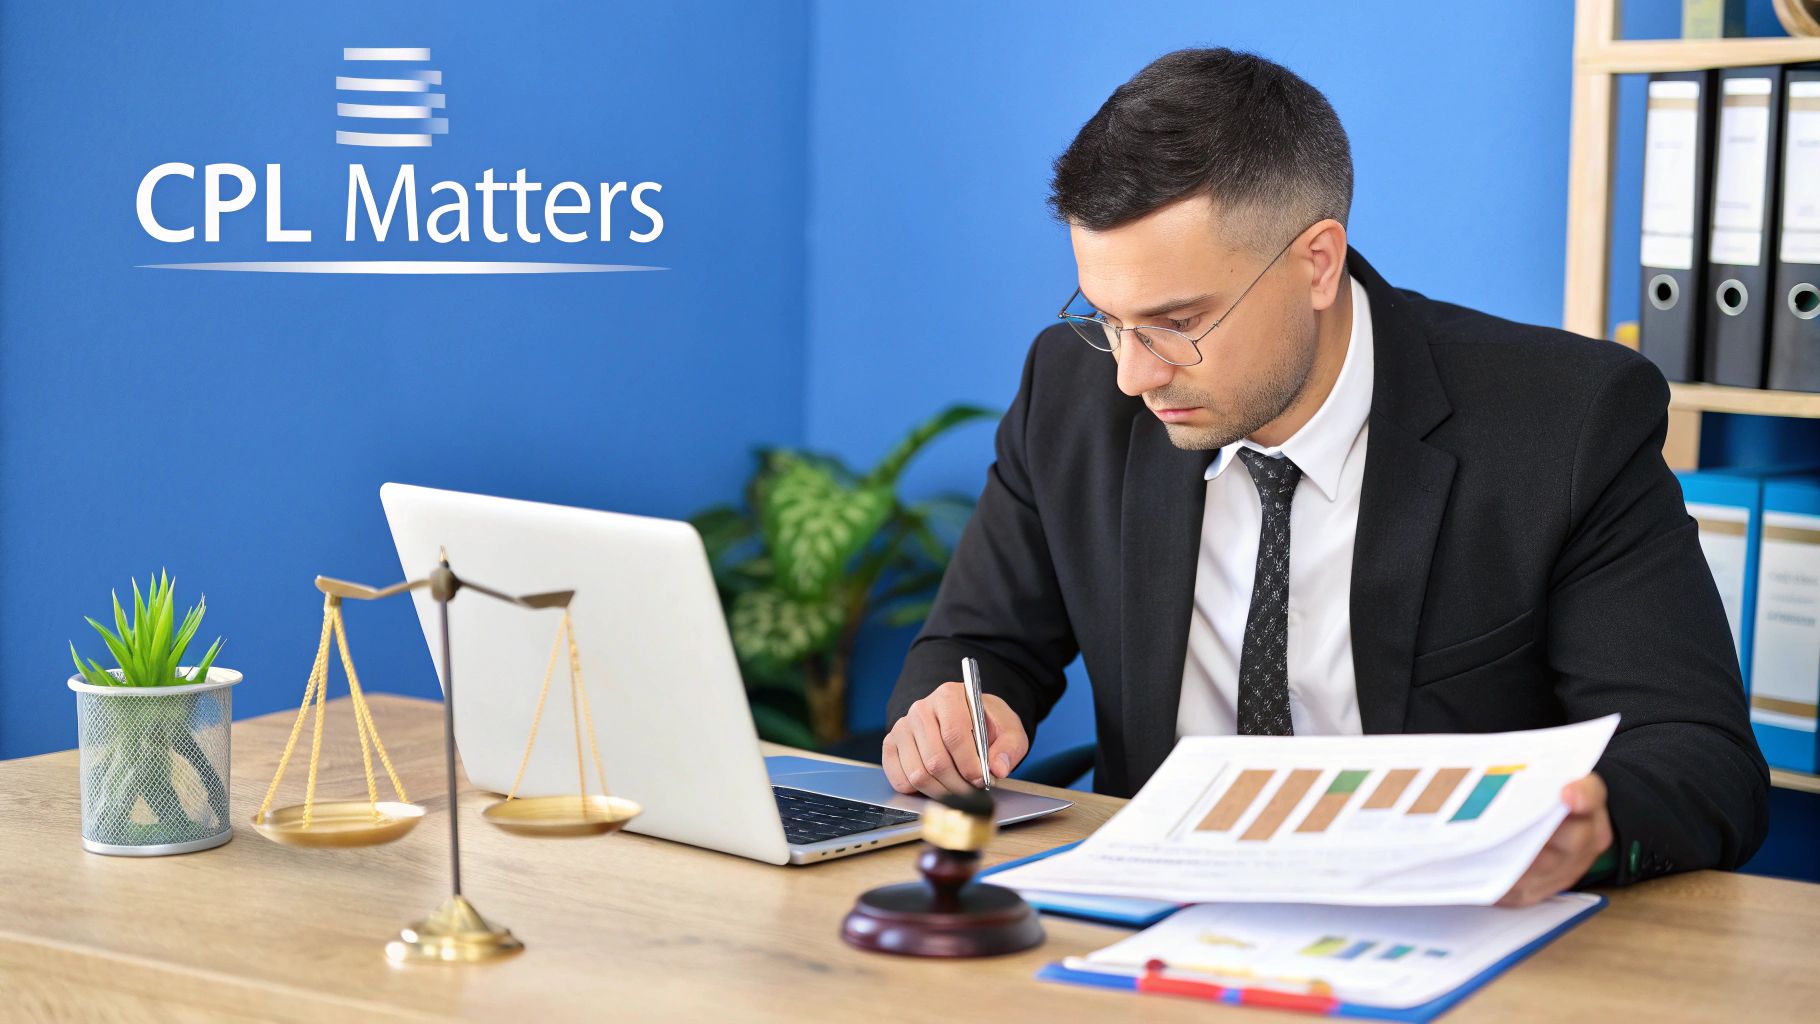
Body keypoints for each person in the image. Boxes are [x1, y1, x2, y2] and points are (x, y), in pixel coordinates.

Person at [881, 48, 1768, 904]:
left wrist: (1592, 828)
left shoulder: (1565, 422)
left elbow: (1700, 755)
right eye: (1105, 318)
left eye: (1176, 321)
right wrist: (962, 713)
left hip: (1444, 925)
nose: (1132, 373)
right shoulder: (1071, 395)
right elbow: (979, 646)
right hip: (1152, 915)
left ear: (1317, 261)